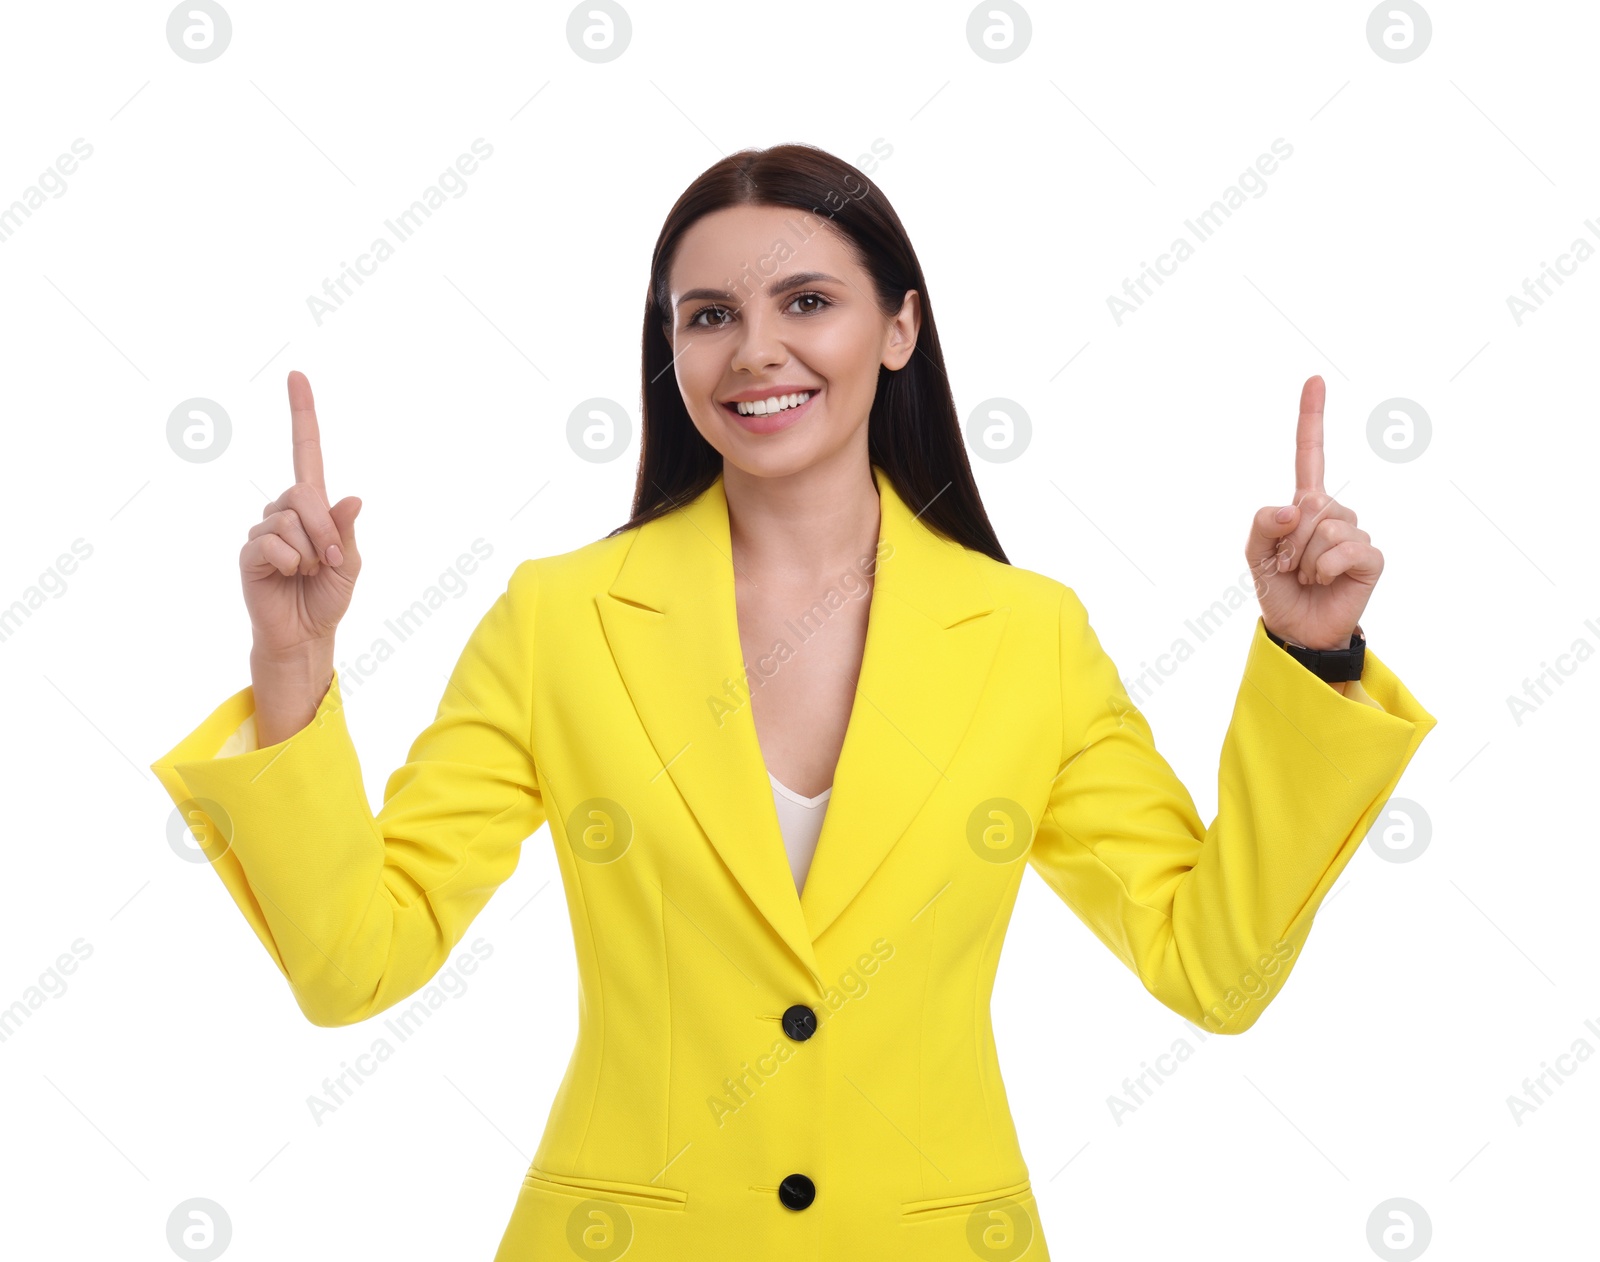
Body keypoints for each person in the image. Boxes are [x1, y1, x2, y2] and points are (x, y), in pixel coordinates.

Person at [151, 143, 1436, 1260]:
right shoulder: (560, 619)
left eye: (806, 301)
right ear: (670, 351)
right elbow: (353, 963)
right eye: (706, 314)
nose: (754, 348)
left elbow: (1211, 967)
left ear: (899, 327)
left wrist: (1310, 660)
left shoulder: (1029, 636)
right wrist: (292, 669)